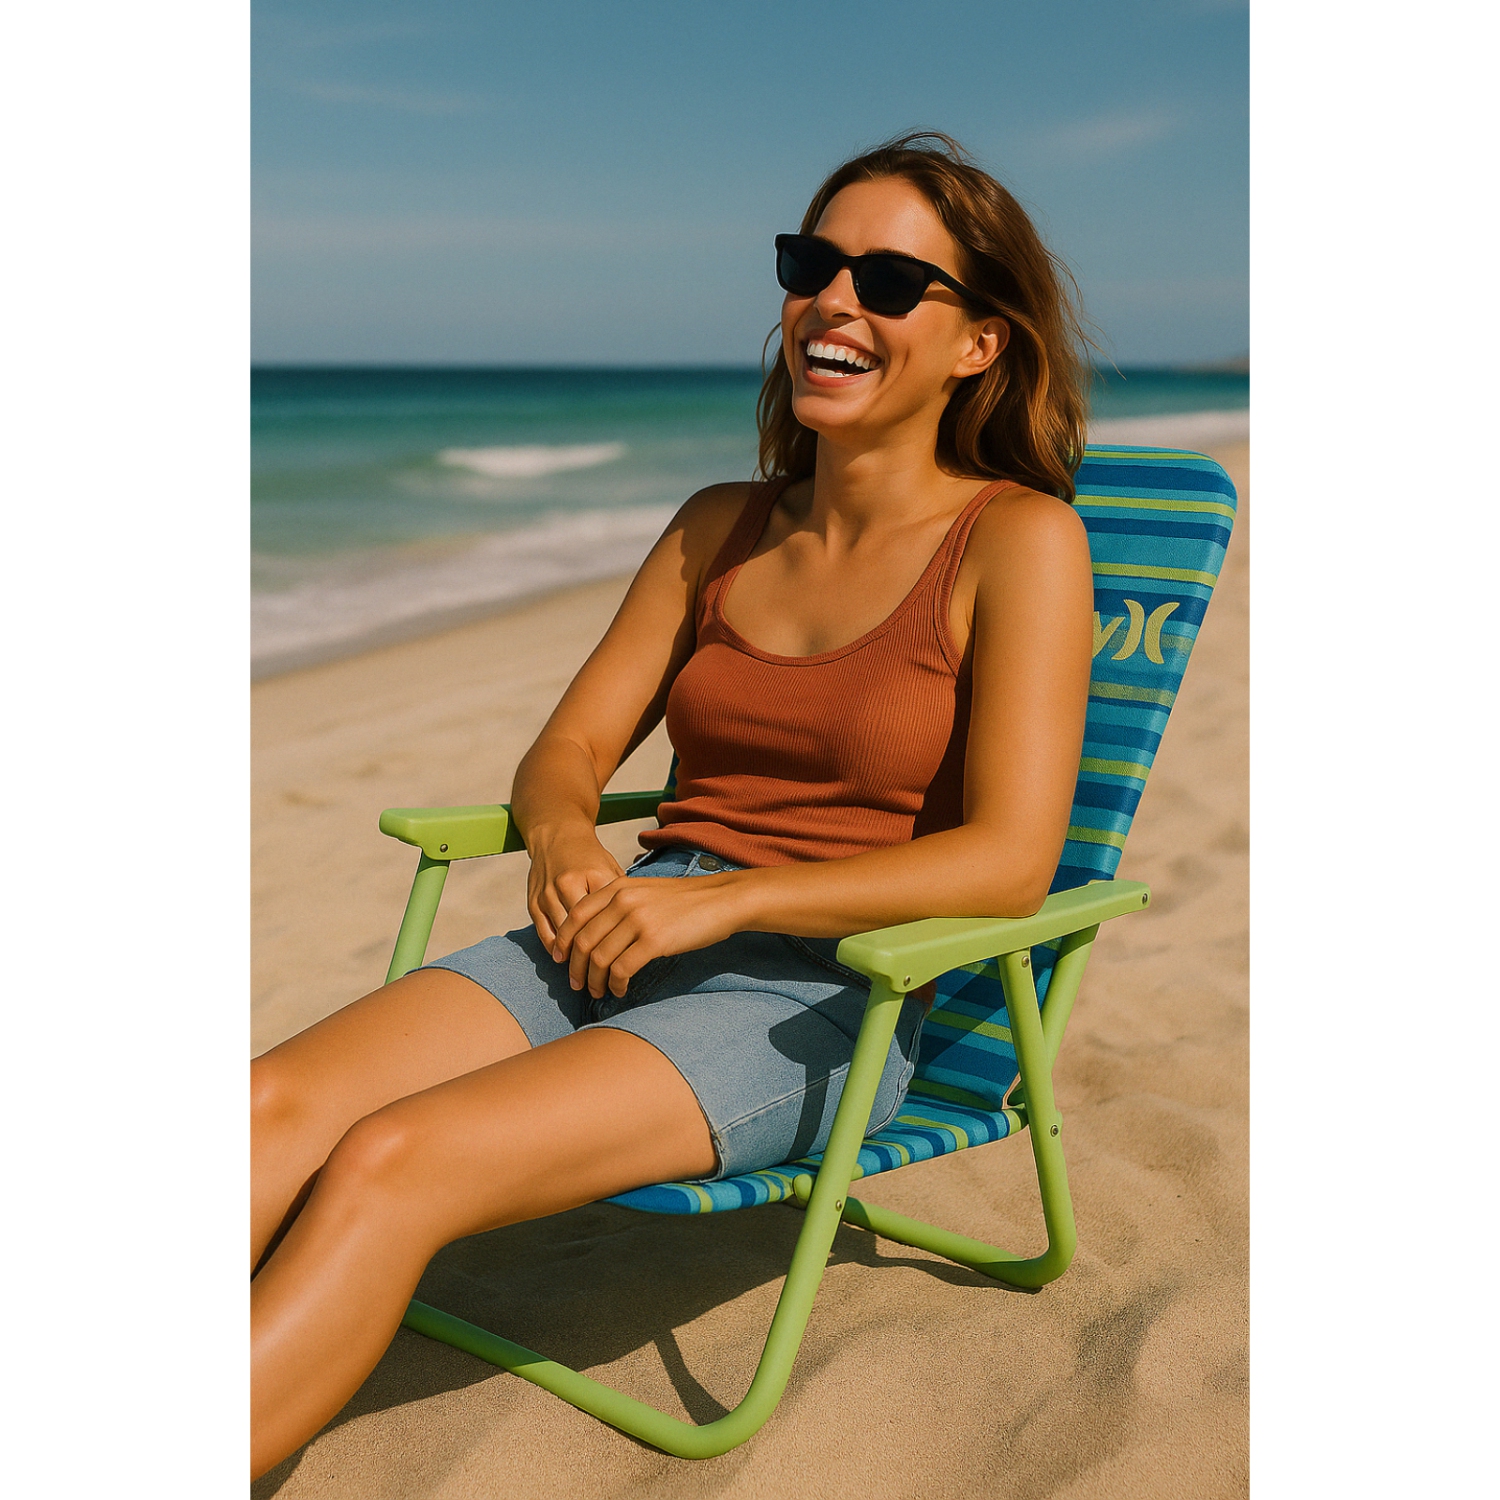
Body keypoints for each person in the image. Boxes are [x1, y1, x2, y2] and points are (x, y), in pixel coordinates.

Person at [250, 131, 1095, 1478]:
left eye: (887, 282)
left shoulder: (1018, 542)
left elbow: (1008, 864)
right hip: (617, 926)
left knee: (393, 1160)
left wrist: (733, 903)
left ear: (980, 344)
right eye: (814, 264)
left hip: (816, 995)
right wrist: (570, 844)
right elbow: (566, 751)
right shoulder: (720, 526)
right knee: (263, 1108)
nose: (835, 301)